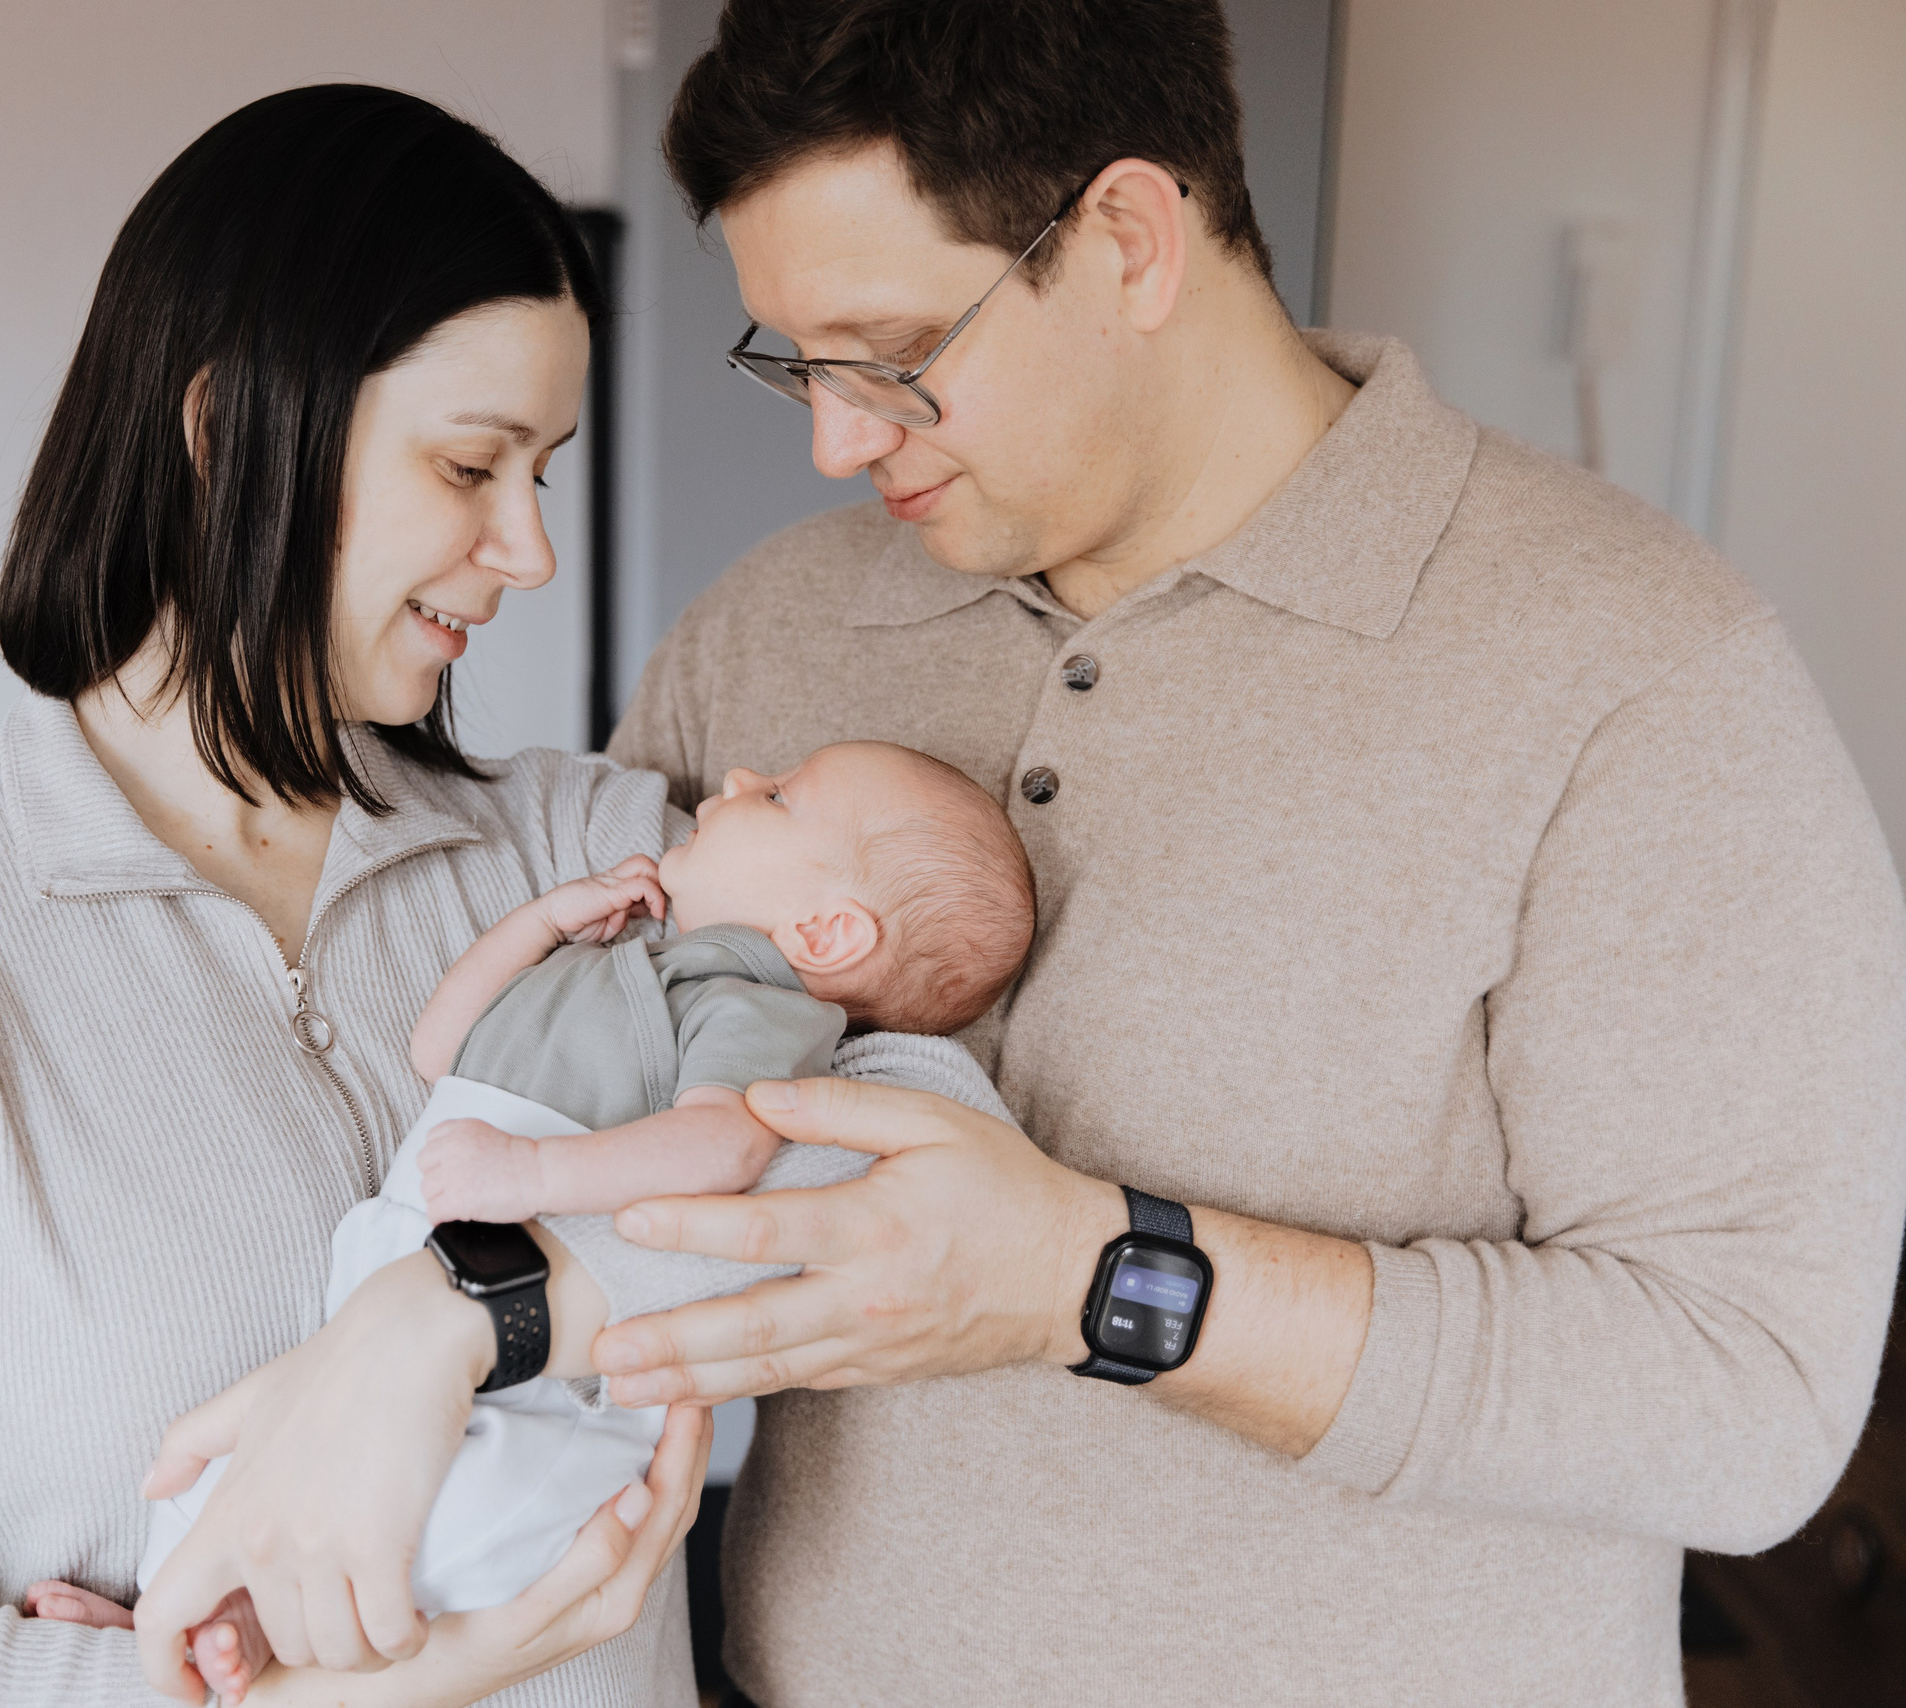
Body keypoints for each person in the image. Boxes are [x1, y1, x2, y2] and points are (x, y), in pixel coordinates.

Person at [0, 83, 1005, 1708]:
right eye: (474, 464)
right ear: (224, 431)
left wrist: (457, 1316)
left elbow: (907, 1168)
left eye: (543, 470)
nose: (529, 548)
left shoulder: (593, 859)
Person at [569, 2, 1906, 1704]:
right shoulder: (772, 628)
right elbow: (566, 1093)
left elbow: (1747, 1397)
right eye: (794, 360)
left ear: (1129, 237)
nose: (834, 439)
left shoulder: (1641, 676)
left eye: (891, 351)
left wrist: (1087, 1277)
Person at [126, 744, 1034, 1699]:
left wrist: (537, 1170)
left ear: (826, 932)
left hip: (542, 1363)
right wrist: (540, 926)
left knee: (477, 1511)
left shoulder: (757, 1005)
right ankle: (198, 1620)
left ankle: (299, 1641)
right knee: (228, 1466)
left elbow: (723, 1146)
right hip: (403, 1253)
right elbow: (437, 1046)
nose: (731, 785)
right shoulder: (622, 956)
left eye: (777, 798)